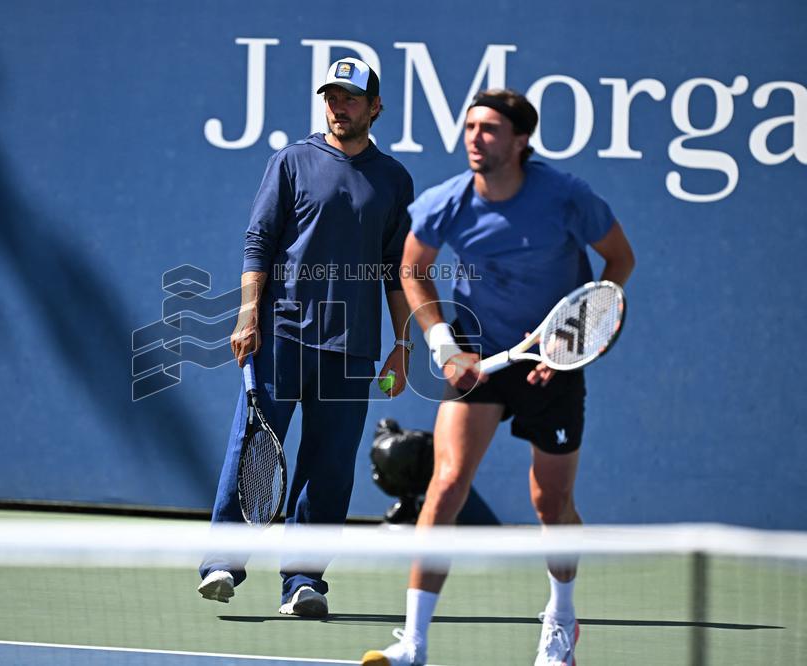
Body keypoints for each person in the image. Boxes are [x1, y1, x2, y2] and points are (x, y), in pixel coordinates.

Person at [362, 89, 635, 665]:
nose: (474, 138)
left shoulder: (566, 197)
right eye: (470, 127)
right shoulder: (448, 202)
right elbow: (413, 269)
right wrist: (443, 344)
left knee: (550, 503)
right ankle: (413, 642)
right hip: (479, 356)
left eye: (488, 129)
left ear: (520, 141)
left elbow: (619, 260)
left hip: (551, 364)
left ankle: (560, 620)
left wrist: (572, 345)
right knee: (446, 484)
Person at [198, 57, 415, 618]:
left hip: (353, 346)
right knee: (254, 448)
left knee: (331, 465)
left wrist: (403, 343)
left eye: (350, 97)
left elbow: (397, 269)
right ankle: (224, 562)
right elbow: (259, 242)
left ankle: (303, 581)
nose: (339, 106)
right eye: (332, 96)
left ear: (375, 107)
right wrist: (249, 315)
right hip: (284, 335)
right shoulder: (291, 161)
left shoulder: (393, 180)